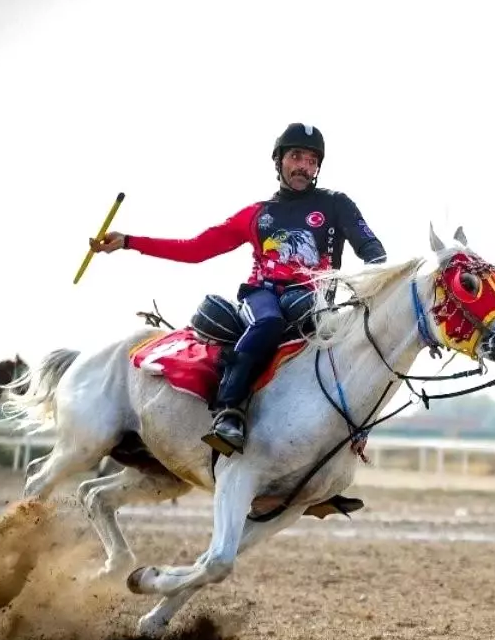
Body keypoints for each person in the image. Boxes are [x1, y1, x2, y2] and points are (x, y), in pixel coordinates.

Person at [89, 122, 388, 456]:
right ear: (279, 161)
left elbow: (372, 249)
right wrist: (130, 242)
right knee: (271, 322)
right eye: (297, 156)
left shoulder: (336, 205)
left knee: (361, 346)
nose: (304, 166)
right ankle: (228, 412)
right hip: (263, 297)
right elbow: (195, 248)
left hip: (312, 303)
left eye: (312, 160)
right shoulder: (256, 215)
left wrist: (375, 283)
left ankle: (352, 433)